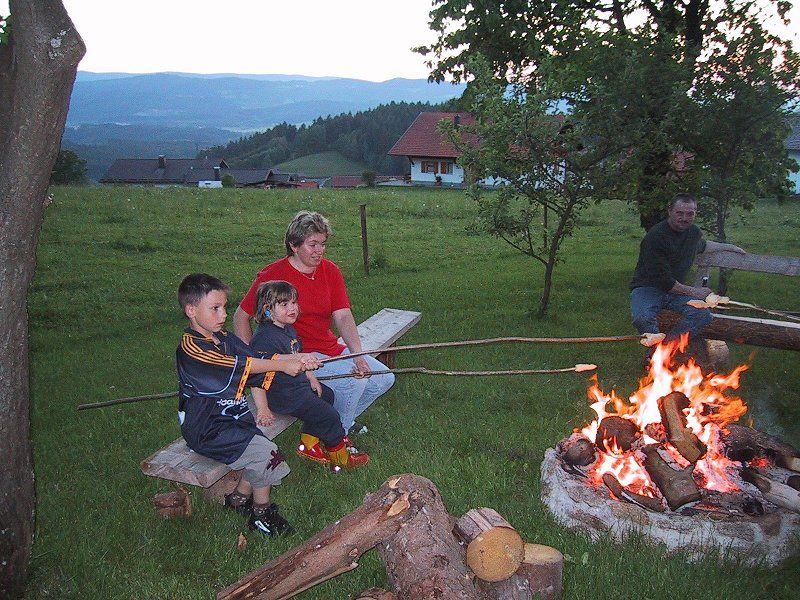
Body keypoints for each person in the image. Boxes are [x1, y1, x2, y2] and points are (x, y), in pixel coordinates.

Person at [176, 273, 321, 536]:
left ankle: (238, 500)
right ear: (191, 310)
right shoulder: (192, 349)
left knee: (258, 450)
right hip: (207, 429)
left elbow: (255, 357)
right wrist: (282, 365)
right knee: (267, 454)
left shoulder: (223, 338)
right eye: (215, 308)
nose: (223, 314)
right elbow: (242, 366)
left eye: (224, 307)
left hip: (233, 419)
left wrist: (298, 359)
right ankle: (261, 513)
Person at [234, 211, 395, 448]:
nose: (319, 250)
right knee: (354, 383)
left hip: (328, 347)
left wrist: (359, 355)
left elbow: (343, 315)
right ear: (294, 245)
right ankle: (337, 439)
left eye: (323, 244)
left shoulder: (330, 271)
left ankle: (334, 426)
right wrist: (256, 362)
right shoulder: (273, 276)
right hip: (298, 355)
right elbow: (240, 316)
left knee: (383, 378)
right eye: (312, 244)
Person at [249, 280, 369, 470]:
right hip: (281, 396)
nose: (292, 308)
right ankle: (340, 457)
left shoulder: (288, 328)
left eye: (294, 303)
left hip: (296, 387)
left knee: (327, 395)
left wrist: (312, 377)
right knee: (328, 415)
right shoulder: (264, 337)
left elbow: (298, 356)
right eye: (284, 304)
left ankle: (309, 443)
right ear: (267, 309)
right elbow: (255, 375)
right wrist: (263, 409)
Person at [629, 193, 745, 341]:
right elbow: (663, 280)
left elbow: (703, 245)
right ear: (670, 211)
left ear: (695, 213)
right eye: (680, 213)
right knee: (643, 318)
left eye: (690, 214)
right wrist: (696, 292)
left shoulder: (693, 233)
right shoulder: (656, 237)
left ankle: (667, 349)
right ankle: (658, 351)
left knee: (702, 315)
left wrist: (730, 247)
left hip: (675, 293)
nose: (684, 218)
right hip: (647, 289)